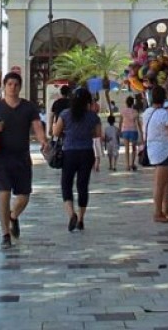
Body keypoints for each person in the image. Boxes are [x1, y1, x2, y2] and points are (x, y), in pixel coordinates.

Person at [0, 72, 48, 249]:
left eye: (16, 84)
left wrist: (43, 140)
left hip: (22, 157)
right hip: (1, 158)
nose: (12, 87)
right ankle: (5, 233)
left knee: (24, 197)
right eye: (9, 84)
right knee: (4, 194)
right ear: (4, 87)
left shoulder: (28, 107)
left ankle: (13, 216)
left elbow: (37, 126)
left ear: (20, 87)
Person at [52, 87, 102, 232]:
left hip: (69, 153)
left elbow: (56, 132)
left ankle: (71, 214)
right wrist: (85, 133)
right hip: (87, 153)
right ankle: (81, 219)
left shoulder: (65, 114)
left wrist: (68, 132)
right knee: (82, 186)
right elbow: (98, 134)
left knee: (66, 184)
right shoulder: (93, 116)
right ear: (88, 101)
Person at [142, 85, 168, 223]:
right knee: (160, 182)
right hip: (164, 150)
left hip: (154, 148)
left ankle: (166, 208)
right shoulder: (165, 114)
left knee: (167, 181)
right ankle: (158, 212)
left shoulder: (147, 112)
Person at [120, 96, 143, 171]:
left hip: (125, 130)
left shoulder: (123, 111)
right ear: (133, 103)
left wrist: (120, 130)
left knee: (126, 149)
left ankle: (127, 165)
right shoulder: (135, 112)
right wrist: (141, 132)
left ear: (126, 103)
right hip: (133, 130)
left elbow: (120, 122)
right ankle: (132, 164)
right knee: (133, 148)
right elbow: (138, 123)